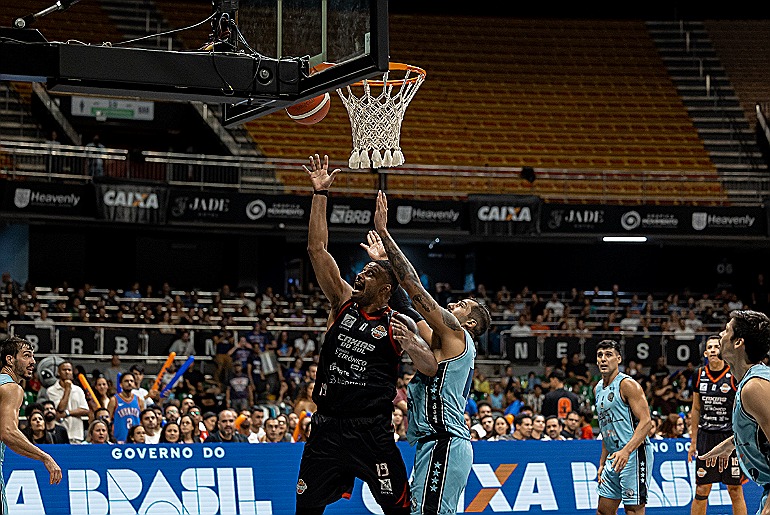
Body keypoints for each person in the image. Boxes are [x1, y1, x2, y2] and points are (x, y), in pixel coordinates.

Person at [295, 155, 439, 515]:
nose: (360, 274)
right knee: (306, 508)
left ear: (387, 290)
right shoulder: (342, 301)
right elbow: (317, 250)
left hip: (371, 432)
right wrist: (320, 194)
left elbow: (431, 366)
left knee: (399, 509)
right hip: (326, 428)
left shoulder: (397, 323)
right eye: (362, 270)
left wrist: (413, 348)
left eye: (371, 273)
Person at [374, 189, 492, 515]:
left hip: (446, 441)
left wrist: (386, 234)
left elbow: (414, 288)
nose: (453, 304)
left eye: (462, 305)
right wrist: (382, 264)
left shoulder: (456, 334)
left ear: (469, 322)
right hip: (434, 443)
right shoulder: (442, 341)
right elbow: (407, 311)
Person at [702, 310, 770, 515]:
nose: (721, 335)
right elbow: (759, 428)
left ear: (738, 342)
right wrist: (733, 442)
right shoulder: (751, 381)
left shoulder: (754, 387)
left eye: (726, 330)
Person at [0, 336, 62, 512]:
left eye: (33, 356)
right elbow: (8, 432)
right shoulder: (12, 388)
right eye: (26, 355)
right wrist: (45, 457)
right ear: (10, 359)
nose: (33, 361)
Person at [687, 334, 747, 515]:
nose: (713, 350)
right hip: (706, 436)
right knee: (701, 490)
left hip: (730, 437)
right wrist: (693, 442)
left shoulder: (733, 373)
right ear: (705, 353)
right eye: (710, 347)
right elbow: (696, 409)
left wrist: (743, 441)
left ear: (721, 350)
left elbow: (742, 408)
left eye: (716, 346)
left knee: (735, 490)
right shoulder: (699, 374)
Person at [594, 339, 654, 515]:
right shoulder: (597, 389)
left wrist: (626, 451)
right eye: (600, 355)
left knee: (633, 510)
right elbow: (606, 428)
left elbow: (646, 422)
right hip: (614, 457)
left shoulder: (627, 385)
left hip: (633, 454)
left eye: (608, 355)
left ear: (618, 359)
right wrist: (602, 462)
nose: (603, 359)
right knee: (604, 510)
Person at [46, 360, 89, 443]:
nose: (67, 372)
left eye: (69, 370)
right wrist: (68, 389)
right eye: (64, 370)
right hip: (59, 432)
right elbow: (60, 408)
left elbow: (85, 410)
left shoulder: (78, 390)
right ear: (58, 372)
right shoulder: (51, 390)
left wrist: (67, 413)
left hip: (76, 434)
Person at [108, 371, 144, 444]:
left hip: (135, 441)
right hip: (119, 439)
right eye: (126, 381)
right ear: (121, 384)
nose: (129, 383)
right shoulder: (114, 400)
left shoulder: (139, 400)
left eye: (131, 381)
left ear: (134, 384)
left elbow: (142, 421)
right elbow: (108, 420)